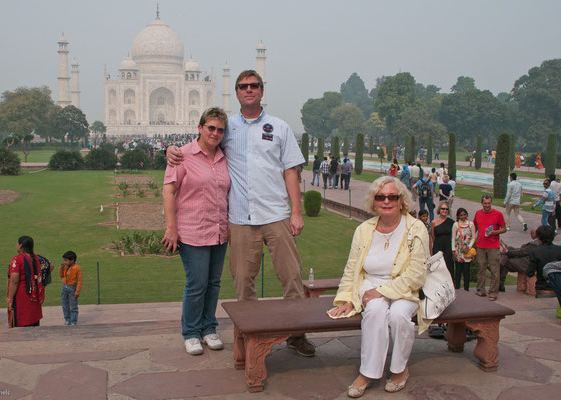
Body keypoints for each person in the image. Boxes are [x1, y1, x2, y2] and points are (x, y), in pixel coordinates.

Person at [166, 70, 314, 356]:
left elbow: (290, 172)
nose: (249, 90)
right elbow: (198, 146)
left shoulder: (279, 127)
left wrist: (296, 212)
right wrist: (171, 150)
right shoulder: (227, 127)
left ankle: (297, 334)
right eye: (243, 86)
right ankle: (251, 336)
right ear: (235, 92)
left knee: (292, 277)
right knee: (243, 283)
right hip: (241, 219)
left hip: (276, 214)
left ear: (262, 89)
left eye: (254, 85)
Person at [328, 176, 429, 397]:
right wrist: (346, 298)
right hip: (371, 284)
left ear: (401, 200)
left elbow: (417, 274)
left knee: (399, 315)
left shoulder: (416, 228)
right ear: (374, 202)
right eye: (380, 197)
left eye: (392, 196)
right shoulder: (364, 230)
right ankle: (368, 372)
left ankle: (399, 370)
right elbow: (352, 268)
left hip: (404, 288)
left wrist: (383, 291)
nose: (386, 201)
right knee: (374, 311)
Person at [162, 107, 231, 355]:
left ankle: (208, 328)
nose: (215, 133)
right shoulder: (183, 155)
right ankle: (191, 332)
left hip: (219, 230)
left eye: (220, 129)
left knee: (213, 283)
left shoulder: (224, 156)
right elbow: (169, 191)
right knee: (197, 283)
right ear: (200, 128)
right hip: (192, 231)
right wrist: (171, 228)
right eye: (211, 128)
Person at [473, 195, 507, 301]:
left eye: (489, 203)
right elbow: (474, 228)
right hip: (480, 245)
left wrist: (494, 232)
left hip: (493, 246)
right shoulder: (478, 213)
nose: (487, 205)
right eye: (485, 203)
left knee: (494, 270)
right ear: (481, 203)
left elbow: (504, 228)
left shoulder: (498, 214)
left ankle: (493, 292)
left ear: (491, 203)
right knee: (481, 269)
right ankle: (480, 290)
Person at [7, 236, 45, 327]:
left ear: (21, 246)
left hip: (22, 297)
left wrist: (10, 298)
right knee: (34, 323)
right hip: (34, 295)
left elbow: (14, 280)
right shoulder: (37, 258)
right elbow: (49, 266)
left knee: (21, 324)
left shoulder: (17, 259)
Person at [499, 228, 539, 293]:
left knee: (505, 262)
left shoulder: (534, 244)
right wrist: (508, 250)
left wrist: (507, 252)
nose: (530, 234)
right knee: (509, 249)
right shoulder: (536, 242)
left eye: (532, 233)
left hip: (526, 264)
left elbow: (522, 252)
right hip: (525, 259)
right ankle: (500, 265)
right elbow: (522, 251)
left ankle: (500, 284)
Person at [528, 225, 561, 292]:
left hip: (542, 287)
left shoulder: (535, 251)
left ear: (539, 237)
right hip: (558, 286)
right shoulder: (559, 249)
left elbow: (529, 272)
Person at [451, 208, 476, 291]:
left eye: (464, 215)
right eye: (461, 215)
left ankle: (466, 289)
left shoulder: (471, 224)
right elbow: (453, 239)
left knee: (466, 272)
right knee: (458, 272)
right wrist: (453, 251)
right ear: (458, 216)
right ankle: (457, 288)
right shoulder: (456, 225)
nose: (463, 216)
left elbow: (473, 237)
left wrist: (469, 247)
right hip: (458, 251)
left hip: (467, 251)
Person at [431, 202, 455, 278]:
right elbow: (433, 237)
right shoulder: (434, 222)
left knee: (448, 267)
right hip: (438, 247)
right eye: (443, 209)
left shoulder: (452, 222)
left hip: (448, 248)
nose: (444, 210)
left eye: (446, 209)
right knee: (438, 268)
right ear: (439, 209)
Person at [59, 250, 82, 326]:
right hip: (65, 287)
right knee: (65, 305)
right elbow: (61, 276)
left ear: (72, 260)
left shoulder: (77, 269)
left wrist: (77, 292)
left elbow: (79, 281)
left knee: (73, 306)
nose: (65, 262)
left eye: (66, 260)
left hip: (72, 288)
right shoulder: (66, 267)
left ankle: (73, 321)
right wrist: (61, 268)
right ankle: (67, 320)